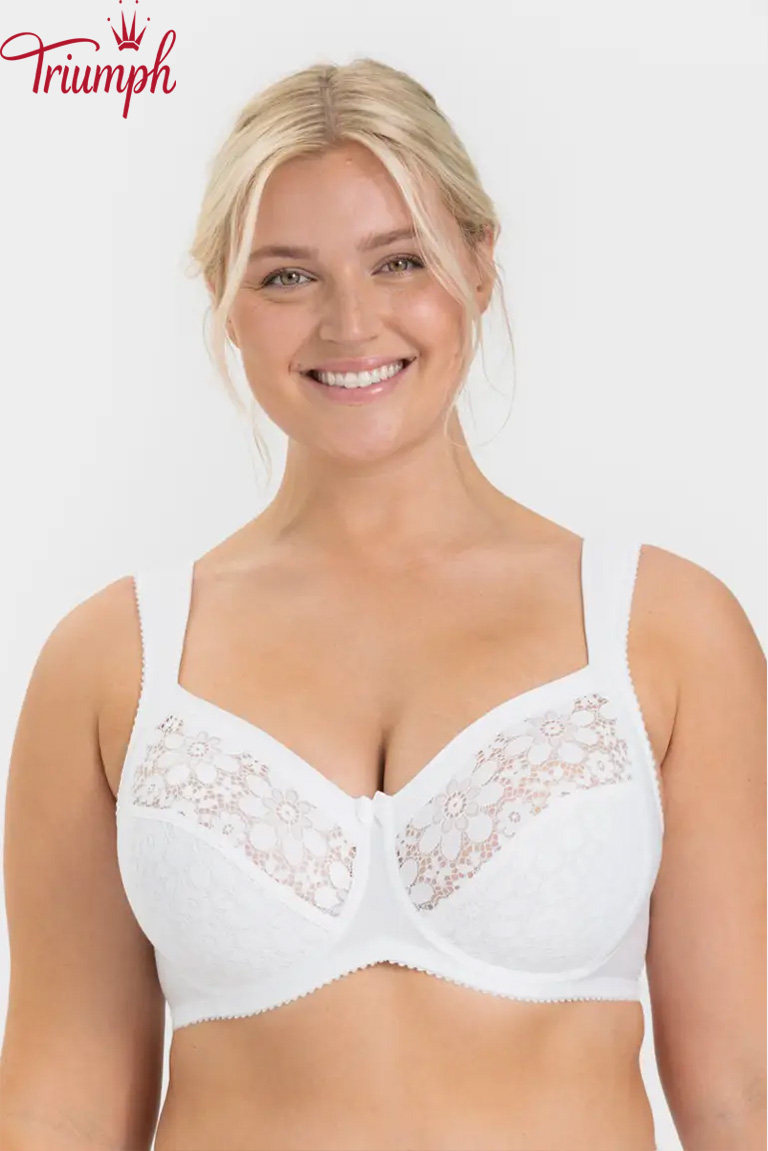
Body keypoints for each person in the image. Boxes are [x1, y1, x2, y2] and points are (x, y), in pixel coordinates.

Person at [1, 58, 765, 1151]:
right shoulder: (113, 661)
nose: (350, 322)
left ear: (480, 264)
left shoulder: (664, 630)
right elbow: (58, 1107)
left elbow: (743, 1093)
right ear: (224, 301)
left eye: (399, 260)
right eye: (287, 277)